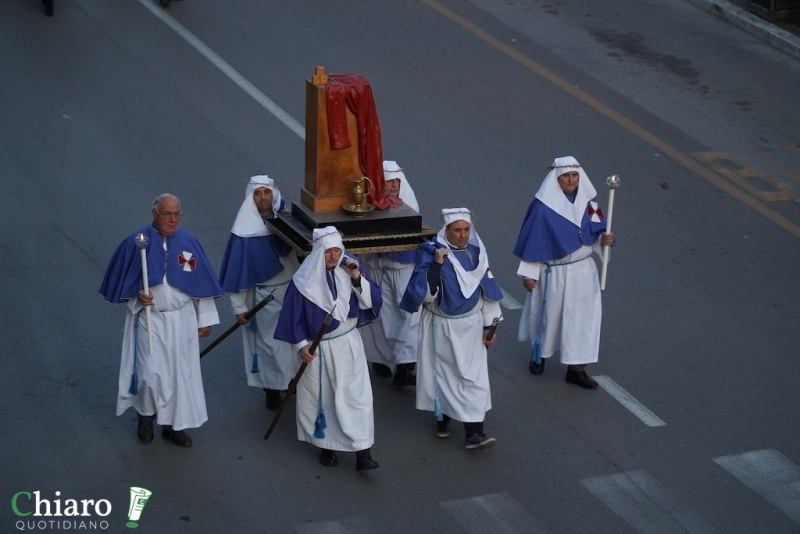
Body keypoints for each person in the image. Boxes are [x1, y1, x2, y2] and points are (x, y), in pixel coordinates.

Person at [100, 193, 222, 447]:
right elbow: (124, 286)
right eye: (168, 213)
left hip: (182, 322)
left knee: (180, 376)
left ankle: (173, 426)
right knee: (149, 374)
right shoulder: (136, 243)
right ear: (154, 213)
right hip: (150, 321)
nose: (173, 219)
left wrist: (205, 319)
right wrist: (136, 297)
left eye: (177, 214)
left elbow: (201, 285)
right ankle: (145, 418)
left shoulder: (189, 241)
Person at [274, 227, 383, 471]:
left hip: (348, 344)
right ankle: (327, 446)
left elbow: (371, 300)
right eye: (328, 252)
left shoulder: (352, 270)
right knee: (323, 399)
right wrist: (302, 346)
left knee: (357, 398)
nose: (333, 256)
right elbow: (292, 318)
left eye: (337, 250)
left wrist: (356, 277)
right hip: (319, 350)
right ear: (318, 252)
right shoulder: (303, 282)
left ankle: (362, 452)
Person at [400, 208, 503, 450]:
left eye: (467, 229)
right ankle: (442, 418)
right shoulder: (432, 253)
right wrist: (436, 265)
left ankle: (474, 432)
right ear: (446, 231)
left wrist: (490, 326)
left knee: (473, 377)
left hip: (471, 324)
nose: (463, 235)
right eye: (457, 230)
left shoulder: (477, 254)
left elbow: (486, 289)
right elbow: (424, 294)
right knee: (442, 374)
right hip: (440, 325)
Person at [512, 156, 615, 389]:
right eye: (566, 176)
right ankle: (539, 355)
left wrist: (604, 239)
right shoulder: (542, 207)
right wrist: (528, 274)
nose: (571, 180)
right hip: (553, 274)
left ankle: (577, 369)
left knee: (582, 320)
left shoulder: (591, 205)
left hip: (582, 273)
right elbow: (533, 241)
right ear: (557, 178)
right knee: (548, 316)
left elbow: (598, 232)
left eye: (575, 175)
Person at [218, 176, 300, 411]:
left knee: (294, 342)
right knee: (270, 346)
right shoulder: (244, 232)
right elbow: (237, 272)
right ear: (250, 196)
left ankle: (293, 381)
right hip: (264, 298)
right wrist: (239, 308)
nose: (263, 197)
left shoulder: (288, 220)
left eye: (267, 192)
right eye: (258, 193)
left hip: (292, 291)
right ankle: (272, 389)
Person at [361, 160, 422, 387]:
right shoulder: (369, 205)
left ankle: (405, 367)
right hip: (375, 268)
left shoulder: (409, 203)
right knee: (377, 315)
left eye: (397, 181)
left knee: (408, 316)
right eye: (388, 181)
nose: (394, 185)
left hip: (402, 269)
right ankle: (381, 361)